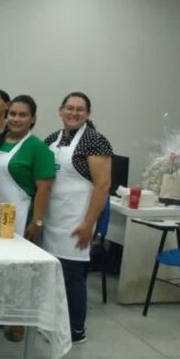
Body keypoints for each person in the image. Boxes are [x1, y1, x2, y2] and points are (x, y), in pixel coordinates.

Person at [43, 92, 113, 344]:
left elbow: (103, 186)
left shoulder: (95, 141)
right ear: (60, 110)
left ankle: (75, 330)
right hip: (52, 218)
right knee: (54, 272)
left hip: (77, 219)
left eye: (80, 109)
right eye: (69, 108)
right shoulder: (52, 139)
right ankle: (54, 322)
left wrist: (88, 224)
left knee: (72, 274)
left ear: (88, 114)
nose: (74, 113)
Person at [0, 95, 55, 342]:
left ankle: (18, 320)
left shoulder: (37, 148)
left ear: (32, 119)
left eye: (22, 115)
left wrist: (37, 222)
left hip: (19, 216)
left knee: (20, 272)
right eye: (12, 114)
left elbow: (44, 188)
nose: (16, 119)